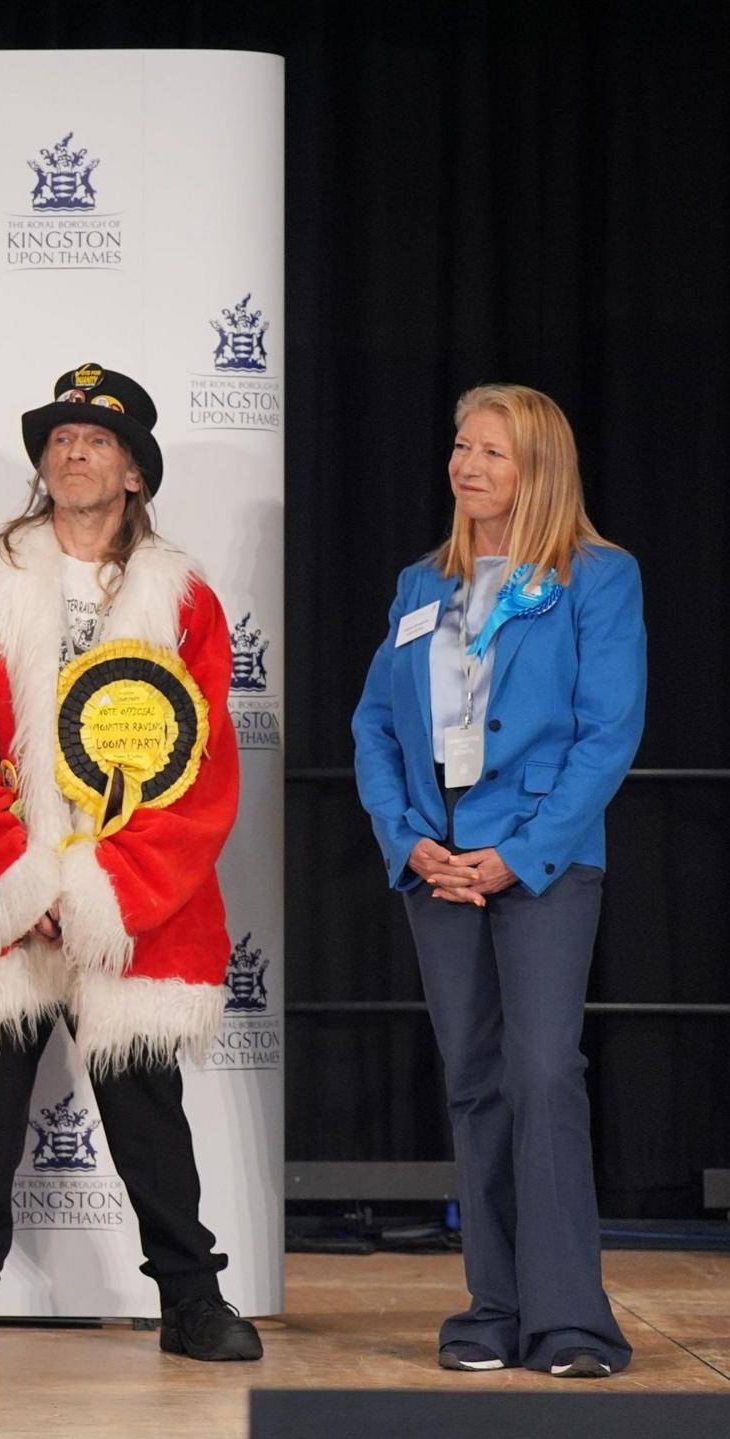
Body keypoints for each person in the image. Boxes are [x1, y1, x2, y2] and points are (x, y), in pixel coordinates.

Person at [0, 363, 260, 1363]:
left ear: (134, 471)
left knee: (147, 1116)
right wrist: (15, 878)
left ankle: (191, 1297)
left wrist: (106, 887)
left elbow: (200, 767)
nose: (72, 451)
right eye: (59, 438)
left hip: (132, 896)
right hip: (1, 892)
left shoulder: (182, 599)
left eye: (95, 440)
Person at [349, 384, 642, 1378]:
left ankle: (571, 1320)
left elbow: (607, 732)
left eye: (491, 453)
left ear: (538, 470)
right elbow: (374, 728)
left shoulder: (595, 578)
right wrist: (407, 840)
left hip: (540, 863)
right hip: (437, 865)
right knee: (473, 1082)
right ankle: (492, 1305)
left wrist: (520, 850)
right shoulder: (418, 584)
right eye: (460, 446)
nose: (465, 466)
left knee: (543, 1072)